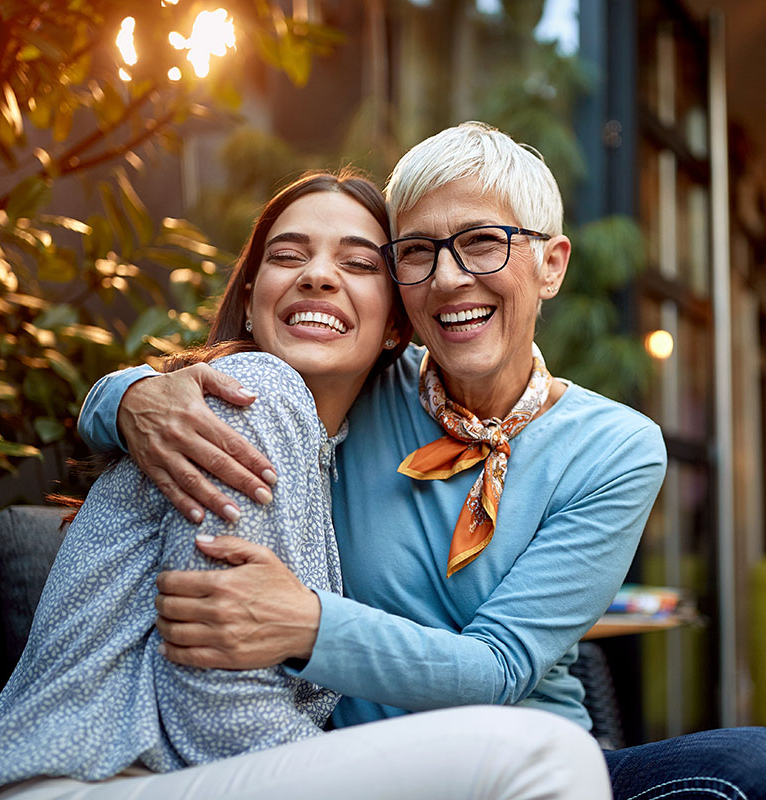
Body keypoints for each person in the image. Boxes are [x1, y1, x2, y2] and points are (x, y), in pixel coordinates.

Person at [81, 123, 766, 800]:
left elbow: (502, 666)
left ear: (551, 264)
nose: (447, 279)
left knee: (752, 760)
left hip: (534, 760)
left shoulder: (616, 447)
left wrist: (307, 624)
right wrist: (127, 397)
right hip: (355, 767)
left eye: (480, 244)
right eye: (416, 252)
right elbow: (240, 381)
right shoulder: (360, 383)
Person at [0, 170, 612, 800]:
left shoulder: (333, 444)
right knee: (547, 757)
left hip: (177, 772)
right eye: (287, 255)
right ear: (249, 297)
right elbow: (218, 710)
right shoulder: (256, 395)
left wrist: (117, 394)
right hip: (86, 777)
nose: (319, 274)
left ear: (397, 324)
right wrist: (124, 395)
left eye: (359, 265)